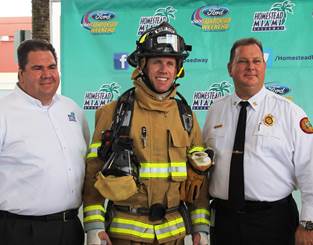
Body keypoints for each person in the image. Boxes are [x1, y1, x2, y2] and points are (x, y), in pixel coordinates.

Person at [83, 22, 211, 245]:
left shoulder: (185, 115)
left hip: (173, 236)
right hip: (125, 235)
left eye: (170, 63)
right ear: (142, 65)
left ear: (178, 69)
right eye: (157, 62)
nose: (164, 70)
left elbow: (198, 176)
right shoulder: (113, 113)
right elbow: (94, 173)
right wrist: (94, 226)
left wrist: (201, 227)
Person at [202, 37, 313, 245]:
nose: (250, 67)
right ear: (230, 68)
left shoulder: (289, 112)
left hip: (273, 221)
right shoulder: (215, 111)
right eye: (243, 61)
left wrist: (309, 223)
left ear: (264, 66)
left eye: (257, 61)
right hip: (225, 221)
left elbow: (310, 170)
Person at [0, 39, 90, 245]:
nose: (47, 74)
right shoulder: (3, 112)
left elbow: (86, 163)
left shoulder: (72, 109)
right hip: (20, 232)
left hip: (70, 228)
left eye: (51, 67)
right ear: (20, 74)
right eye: (37, 68)